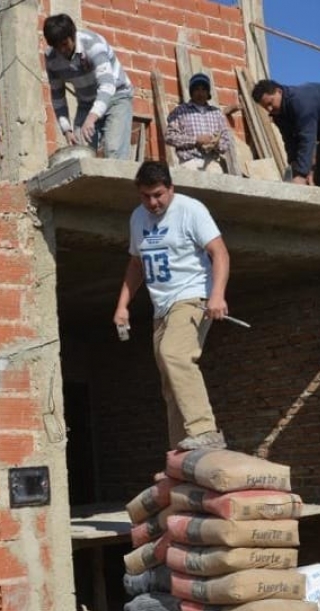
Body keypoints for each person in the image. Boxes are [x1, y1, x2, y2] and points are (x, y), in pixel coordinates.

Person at [113, 161, 231, 451]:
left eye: (158, 195)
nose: (152, 203)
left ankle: (205, 430)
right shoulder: (137, 218)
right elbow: (137, 263)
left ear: (170, 188)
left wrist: (217, 295)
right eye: (145, 196)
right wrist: (122, 305)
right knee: (170, 380)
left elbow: (220, 253)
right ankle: (182, 447)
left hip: (192, 297)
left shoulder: (191, 210)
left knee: (174, 355)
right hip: (161, 307)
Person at [43, 13, 134, 160]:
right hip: (86, 103)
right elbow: (57, 96)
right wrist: (66, 129)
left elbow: (107, 85)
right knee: (80, 153)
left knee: (113, 151)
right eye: (56, 47)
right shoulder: (51, 58)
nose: (62, 50)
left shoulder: (93, 44)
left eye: (64, 44)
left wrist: (91, 118)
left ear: (72, 36)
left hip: (116, 96)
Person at [251, 79, 320, 190]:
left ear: (279, 91)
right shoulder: (278, 115)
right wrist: (296, 169)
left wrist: (301, 175)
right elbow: (290, 142)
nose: (269, 109)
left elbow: (307, 138)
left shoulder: (300, 101)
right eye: (265, 107)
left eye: (270, 103)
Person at [166, 73, 236, 175]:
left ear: (208, 93)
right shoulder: (180, 111)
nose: (200, 93)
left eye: (204, 89)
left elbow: (226, 142)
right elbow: (169, 137)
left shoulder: (217, 113)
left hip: (213, 165)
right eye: (197, 89)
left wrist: (215, 144)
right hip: (189, 164)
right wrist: (196, 140)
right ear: (191, 92)